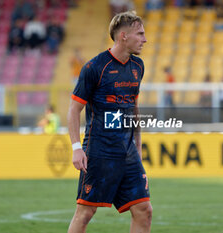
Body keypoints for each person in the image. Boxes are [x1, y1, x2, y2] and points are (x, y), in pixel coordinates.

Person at [67, 11, 152, 233]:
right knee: (85, 212)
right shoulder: (94, 67)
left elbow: (133, 109)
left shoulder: (138, 67)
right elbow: (74, 110)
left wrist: (138, 145)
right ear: (123, 36)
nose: (144, 39)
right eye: (140, 34)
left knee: (144, 209)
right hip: (99, 151)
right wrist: (77, 148)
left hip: (128, 153)